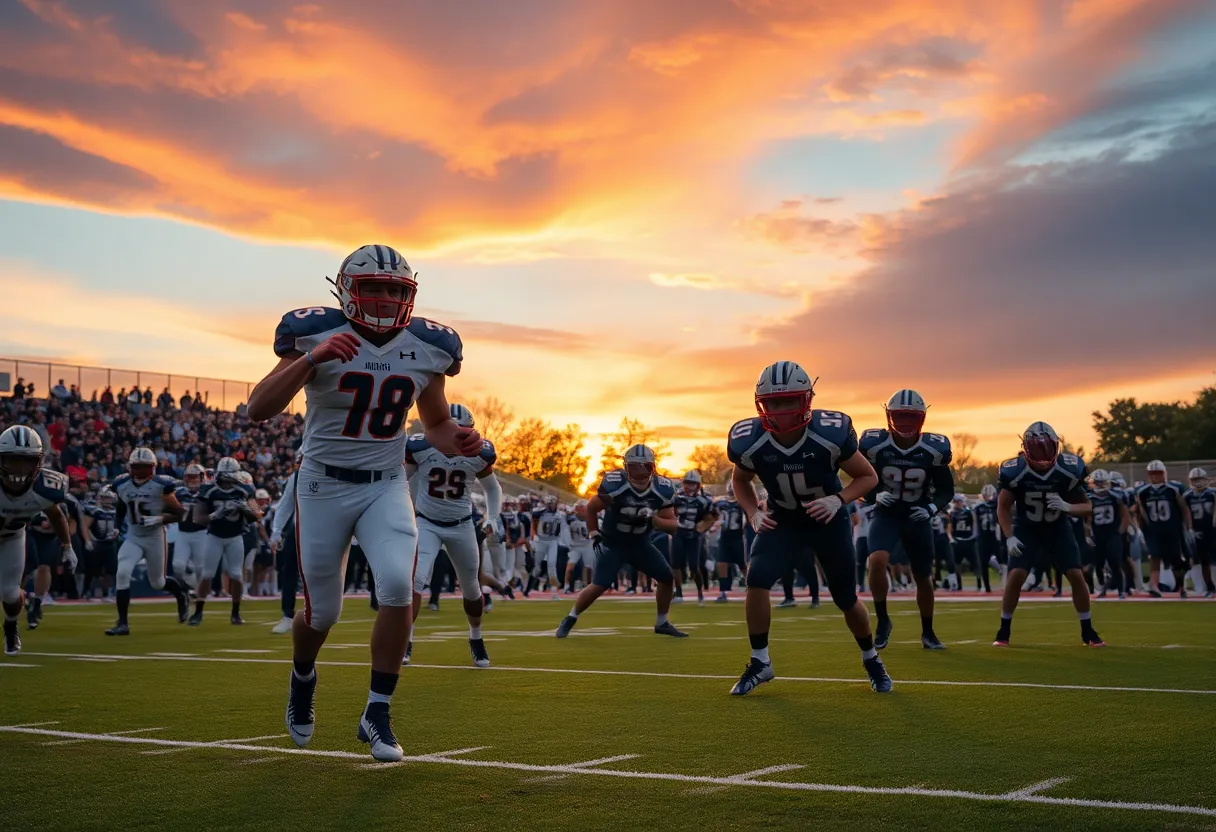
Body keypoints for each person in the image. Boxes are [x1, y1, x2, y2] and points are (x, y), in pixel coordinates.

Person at [246, 243, 480, 763]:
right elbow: (258, 408)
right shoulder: (315, 332)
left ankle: (376, 711)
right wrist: (311, 360)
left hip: (385, 482)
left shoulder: (428, 346)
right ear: (347, 290)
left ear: (410, 295)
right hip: (322, 484)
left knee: (399, 585)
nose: (383, 298)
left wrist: (457, 440)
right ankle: (303, 675)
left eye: (395, 290)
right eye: (372, 286)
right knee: (322, 613)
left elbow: (436, 422)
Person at [725, 361, 889, 696]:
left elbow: (868, 476)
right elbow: (740, 480)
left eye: (789, 401)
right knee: (756, 579)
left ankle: (871, 657)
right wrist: (754, 512)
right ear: (761, 404)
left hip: (826, 520)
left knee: (845, 598)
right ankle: (760, 661)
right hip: (783, 518)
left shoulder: (830, 434)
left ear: (807, 400)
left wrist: (839, 500)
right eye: (773, 403)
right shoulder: (750, 439)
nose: (781, 410)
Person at [405, 403, 502, 668]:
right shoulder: (421, 448)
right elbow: (400, 481)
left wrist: (492, 517)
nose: (456, 438)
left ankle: (476, 637)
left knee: (471, 586)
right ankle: (406, 640)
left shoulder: (478, 455)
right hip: (426, 523)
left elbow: (493, 489)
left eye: (462, 432)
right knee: (415, 580)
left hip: (461, 525)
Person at [556, 444, 686, 639]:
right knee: (599, 584)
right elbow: (591, 507)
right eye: (633, 466)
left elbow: (672, 524)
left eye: (644, 467)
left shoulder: (662, 488)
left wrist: (653, 519)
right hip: (613, 542)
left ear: (653, 467)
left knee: (667, 579)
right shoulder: (616, 485)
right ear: (625, 467)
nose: (638, 472)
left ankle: (662, 622)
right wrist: (594, 534)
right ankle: (570, 617)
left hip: (640, 543)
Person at [860, 389, 955, 651]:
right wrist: (875, 496)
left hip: (916, 516)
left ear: (921, 419)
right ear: (889, 416)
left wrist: (932, 508)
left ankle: (928, 632)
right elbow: (860, 477)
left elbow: (947, 489)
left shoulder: (933, 449)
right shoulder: (874, 445)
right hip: (887, 514)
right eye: (900, 417)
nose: (904, 424)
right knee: (876, 561)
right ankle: (883, 621)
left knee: (923, 575)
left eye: (910, 417)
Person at [994, 422, 1103, 647]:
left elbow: (1088, 506)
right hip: (1027, 527)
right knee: (1015, 575)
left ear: (1055, 447)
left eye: (1047, 450)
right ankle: (1003, 630)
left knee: (1075, 574)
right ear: (1026, 449)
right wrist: (1010, 535)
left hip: (1057, 528)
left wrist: (1066, 506)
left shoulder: (1068, 469)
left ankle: (1088, 630)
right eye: (1036, 451)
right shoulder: (1015, 471)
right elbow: (1003, 506)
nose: (1043, 458)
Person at [0, 426, 75, 654]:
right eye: (13, 460)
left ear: (39, 462)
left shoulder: (44, 488)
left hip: (12, 537)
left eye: (27, 460)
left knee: (11, 594)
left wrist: (67, 546)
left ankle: (11, 627)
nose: (20, 468)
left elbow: (55, 514)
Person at [108, 447, 191, 635]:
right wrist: (116, 525)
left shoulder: (161, 486)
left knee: (158, 583)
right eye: (136, 467)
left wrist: (160, 519)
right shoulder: (121, 484)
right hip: (134, 536)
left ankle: (181, 594)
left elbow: (181, 514)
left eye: (143, 467)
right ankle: (122, 623)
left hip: (154, 536)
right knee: (122, 572)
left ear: (152, 468)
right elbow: (121, 506)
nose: (139, 471)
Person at [190, 457, 256, 625]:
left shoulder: (244, 489)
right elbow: (198, 518)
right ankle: (198, 612)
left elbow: (257, 515)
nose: (227, 482)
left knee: (236, 574)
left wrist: (246, 509)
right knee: (207, 575)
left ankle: (235, 612)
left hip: (235, 537)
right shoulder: (208, 490)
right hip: (215, 536)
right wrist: (214, 515)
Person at [1136, 460, 1194, 597]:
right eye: (1152, 473)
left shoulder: (1173, 489)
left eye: (1158, 473)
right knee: (1154, 556)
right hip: (1154, 530)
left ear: (1164, 473)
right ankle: (1154, 586)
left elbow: (1184, 509)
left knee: (1176, 560)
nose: (1155, 476)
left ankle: (1181, 586)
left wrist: (1189, 527)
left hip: (1172, 529)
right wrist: (1141, 529)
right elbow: (1141, 512)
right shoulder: (1143, 492)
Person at [671, 470, 717, 604]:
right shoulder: (676, 498)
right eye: (687, 483)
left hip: (693, 535)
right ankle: (678, 592)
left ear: (697, 485)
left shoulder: (703, 501)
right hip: (678, 533)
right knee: (676, 565)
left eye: (692, 484)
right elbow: (667, 512)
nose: (689, 486)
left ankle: (700, 592)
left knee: (694, 566)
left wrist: (700, 529)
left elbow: (710, 519)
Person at [1088, 470, 1130, 599]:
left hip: (1112, 533)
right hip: (1098, 534)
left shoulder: (1115, 496)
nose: (1100, 485)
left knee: (1114, 561)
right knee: (1098, 563)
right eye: (1098, 483)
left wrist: (1120, 531)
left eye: (1102, 482)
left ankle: (1121, 590)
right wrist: (1088, 533)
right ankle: (1102, 587)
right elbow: (1087, 519)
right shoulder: (1089, 498)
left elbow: (1124, 515)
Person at [171, 464, 208, 594]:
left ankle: (200, 592)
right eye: (190, 477)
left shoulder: (207, 493)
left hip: (201, 534)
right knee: (178, 566)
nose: (192, 480)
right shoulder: (179, 493)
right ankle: (184, 590)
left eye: (195, 477)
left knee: (200, 568)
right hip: (183, 533)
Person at [269, 471, 299, 633]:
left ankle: (317, 613)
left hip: (325, 529)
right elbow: (286, 504)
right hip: (300, 528)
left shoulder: (332, 471)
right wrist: (276, 532)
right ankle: (288, 616)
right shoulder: (297, 476)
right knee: (289, 570)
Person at [1182, 468, 1214, 597]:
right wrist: (1188, 529)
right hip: (1197, 531)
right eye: (1195, 480)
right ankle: (1209, 587)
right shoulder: (1187, 496)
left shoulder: (1212, 493)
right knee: (1202, 560)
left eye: (1200, 479)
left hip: (1212, 529)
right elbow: (1185, 513)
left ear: (1205, 480)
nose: (1197, 482)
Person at [714, 481, 747, 602]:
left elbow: (747, 519)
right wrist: (715, 524)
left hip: (737, 537)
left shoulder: (742, 503)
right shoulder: (720, 503)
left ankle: (752, 588)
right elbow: (715, 516)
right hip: (724, 537)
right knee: (722, 563)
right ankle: (723, 592)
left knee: (742, 565)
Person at [530, 494, 567, 600]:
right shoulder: (538, 513)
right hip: (541, 541)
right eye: (550, 503)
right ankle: (529, 587)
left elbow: (562, 529)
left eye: (553, 503)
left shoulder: (560, 515)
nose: (552, 505)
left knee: (551, 565)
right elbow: (533, 526)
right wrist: (534, 537)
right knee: (537, 567)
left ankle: (554, 592)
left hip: (552, 541)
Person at [948, 494, 985, 591]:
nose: (959, 503)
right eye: (957, 501)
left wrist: (974, 536)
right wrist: (952, 538)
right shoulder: (952, 513)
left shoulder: (969, 512)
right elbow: (949, 527)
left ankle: (979, 584)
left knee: (975, 563)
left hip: (969, 541)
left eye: (960, 501)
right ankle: (959, 585)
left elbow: (975, 524)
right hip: (958, 541)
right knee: (957, 564)